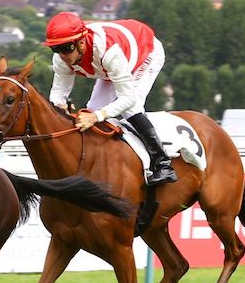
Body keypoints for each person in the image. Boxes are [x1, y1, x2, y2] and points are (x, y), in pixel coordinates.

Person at [42, 12, 177, 185]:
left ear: (81, 42)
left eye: (66, 48)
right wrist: (60, 107)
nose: (62, 55)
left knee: (129, 109)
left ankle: (163, 163)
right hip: (111, 65)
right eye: (56, 49)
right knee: (93, 107)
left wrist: (96, 116)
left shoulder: (107, 51)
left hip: (146, 53)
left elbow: (128, 99)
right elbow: (58, 93)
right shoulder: (61, 59)